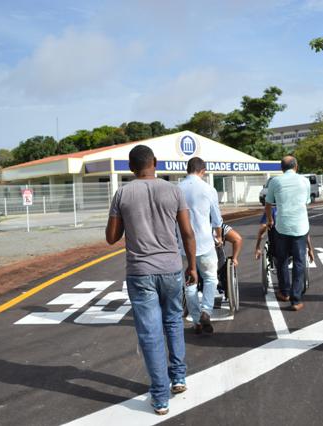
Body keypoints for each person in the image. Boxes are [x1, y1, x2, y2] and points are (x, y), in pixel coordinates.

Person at [105, 145, 197, 415]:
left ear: (131, 168)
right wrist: (191, 266)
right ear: (155, 163)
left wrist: (124, 217)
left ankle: (159, 397)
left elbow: (111, 237)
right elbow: (188, 233)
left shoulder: (122, 193)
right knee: (173, 321)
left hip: (140, 272)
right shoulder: (173, 191)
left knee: (150, 333)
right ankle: (178, 377)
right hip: (171, 269)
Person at [178, 157, 223, 335]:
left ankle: (197, 321)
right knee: (211, 278)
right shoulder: (208, 189)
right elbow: (217, 218)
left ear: (187, 169)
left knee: (190, 283)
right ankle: (206, 311)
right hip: (204, 242)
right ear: (202, 171)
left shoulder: (176, 189)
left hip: (182, 244)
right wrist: (219, 236)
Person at [264, 155, 311, 311]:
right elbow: (306, 202)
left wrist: (270, 220)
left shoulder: (275, 181)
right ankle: (296, 300)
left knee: (282, 260)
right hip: (300, 227)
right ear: (296, 166)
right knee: (299, 262)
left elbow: (268, 204)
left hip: (282, 226)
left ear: (281, 168)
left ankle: (284, 293)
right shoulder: (304, 181)